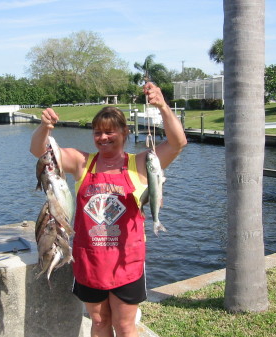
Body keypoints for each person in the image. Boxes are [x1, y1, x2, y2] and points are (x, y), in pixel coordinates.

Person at [30, 82, 187, 337]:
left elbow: (178, 143)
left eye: (110, 132)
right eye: (97, 132)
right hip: (89, 260)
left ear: (125, 132)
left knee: (125, 326)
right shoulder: (83, 163)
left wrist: (162, 106)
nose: (103, 138)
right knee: (99, 322)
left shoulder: (141, 163)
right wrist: (45, 126)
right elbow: (40, 151)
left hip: (127, 260)